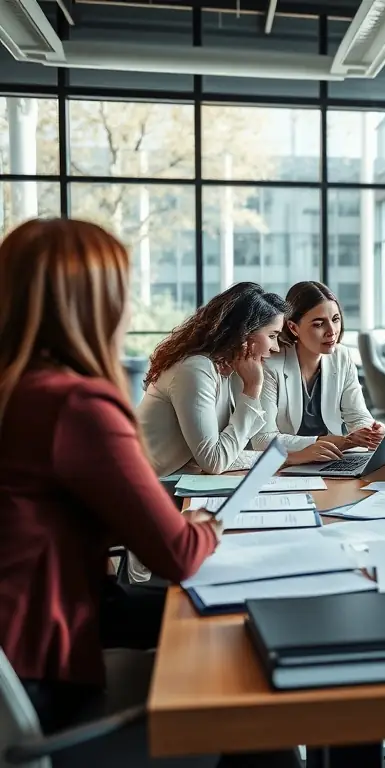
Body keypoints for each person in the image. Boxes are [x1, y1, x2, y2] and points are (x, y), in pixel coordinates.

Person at [0, 218, 223, 763]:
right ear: (95, 304)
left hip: (24, 649)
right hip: (46, 675)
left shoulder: (16, 392)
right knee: (250, 700)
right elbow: (177, 554)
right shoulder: (74, 405)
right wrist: (208, 527)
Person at [137, 282, 287, 478]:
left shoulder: (226, 370)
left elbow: (228, 453)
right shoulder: (195, 369)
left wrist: (284, 459)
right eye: (272, 335)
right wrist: (253, 388)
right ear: (244, 332)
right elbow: (214, 462)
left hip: (176, 481)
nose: (275, 347)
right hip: (148, 485)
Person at [251, 281, 385, 463]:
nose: (332, 331)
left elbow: (357, 415)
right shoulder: (270, 365)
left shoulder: (342, 356)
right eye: (318, 324)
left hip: (332, 462)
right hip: (286, 467)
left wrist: (370, 431)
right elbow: (262, 440)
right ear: (293, 327)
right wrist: (331, 442)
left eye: (335, 319)